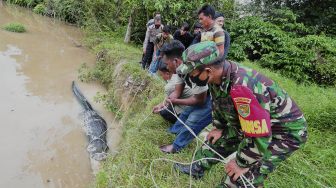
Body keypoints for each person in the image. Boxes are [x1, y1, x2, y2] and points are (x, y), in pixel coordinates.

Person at [174, 41, 307, 187]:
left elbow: (259, 135)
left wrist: (241, 163)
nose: (190, 78)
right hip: (248, 125)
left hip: (282, 132)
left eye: (192, 74)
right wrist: (219, 127)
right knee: (215, 141)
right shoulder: (217, 76)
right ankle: (196, 169)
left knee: (241, 176)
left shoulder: (243, 88)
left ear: (208, 70)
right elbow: (218, 103)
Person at [155, 40, 212, 153]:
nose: (166, 67)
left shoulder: (194, 69)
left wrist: (176, 100)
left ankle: (176, 147)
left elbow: (200, 100)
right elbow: (177, 91)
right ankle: (174, 131)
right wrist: (164, 104)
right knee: (186, 114)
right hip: (200, 95)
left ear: (175, 61)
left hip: (212, 98)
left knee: (193, 120)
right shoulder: (180, 69)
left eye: (167, 64)